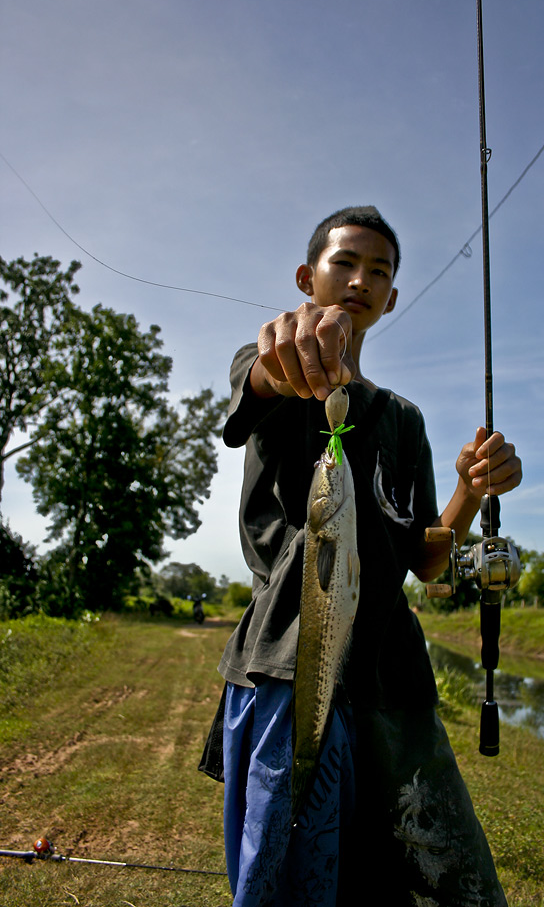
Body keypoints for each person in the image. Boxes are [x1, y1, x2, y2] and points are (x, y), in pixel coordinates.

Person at [200, 206, 522, 907]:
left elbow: (425, 560)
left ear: (393, 298)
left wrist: (468, 496)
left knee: (425, 881)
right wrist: (295, 348)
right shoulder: (277, 370)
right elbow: (261, 377)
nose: (360, 280)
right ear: (305, 277)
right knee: (295, 886)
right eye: (343, 263)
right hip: (291, 673)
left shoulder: (405, 421)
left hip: (394, 687)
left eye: (378, 271)